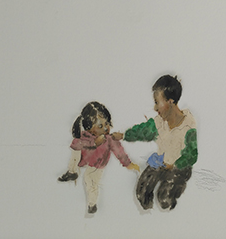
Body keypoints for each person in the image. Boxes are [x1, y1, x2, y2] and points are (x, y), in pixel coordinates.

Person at [118, 75, 197, 210]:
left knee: (165, 199)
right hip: (161, 162)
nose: (155, 108)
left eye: (157, 102)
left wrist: (175, 165)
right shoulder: (159, 122)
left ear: (170, 102)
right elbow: (143, 131)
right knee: (142, 192)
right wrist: (124, 135)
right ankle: (147, 212)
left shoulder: (188, 126)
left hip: (179, 167)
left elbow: (191, 154)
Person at [58, 101, 140, 215]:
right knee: (75, 149)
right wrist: (94, 143)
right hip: (84, 158)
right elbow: (77, 144)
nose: (106, 128)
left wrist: (128, 163)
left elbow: (119, 152)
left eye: (107, 124)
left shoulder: (109, 139)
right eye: (100, 126)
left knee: (89, 179)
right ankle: (72, 172)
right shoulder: (85, 136)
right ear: (89, 128)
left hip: (97, 164)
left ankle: (92, 204)